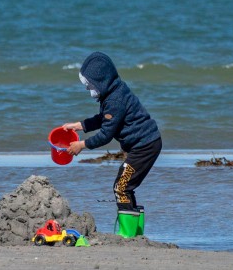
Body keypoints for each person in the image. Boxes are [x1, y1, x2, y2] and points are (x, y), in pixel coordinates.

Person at [62, 52, 162, 215]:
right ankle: (134, 229)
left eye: (90, 85)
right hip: (143, 145)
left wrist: (82, 145)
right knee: (125, 187)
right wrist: (80, 125)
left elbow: (106, 134)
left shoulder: (115, 100)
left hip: (144, 147)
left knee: (121, 188)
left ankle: (128, 233)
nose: (89, 89)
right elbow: (104, 119)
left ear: (101, 81)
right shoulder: (113, 91)